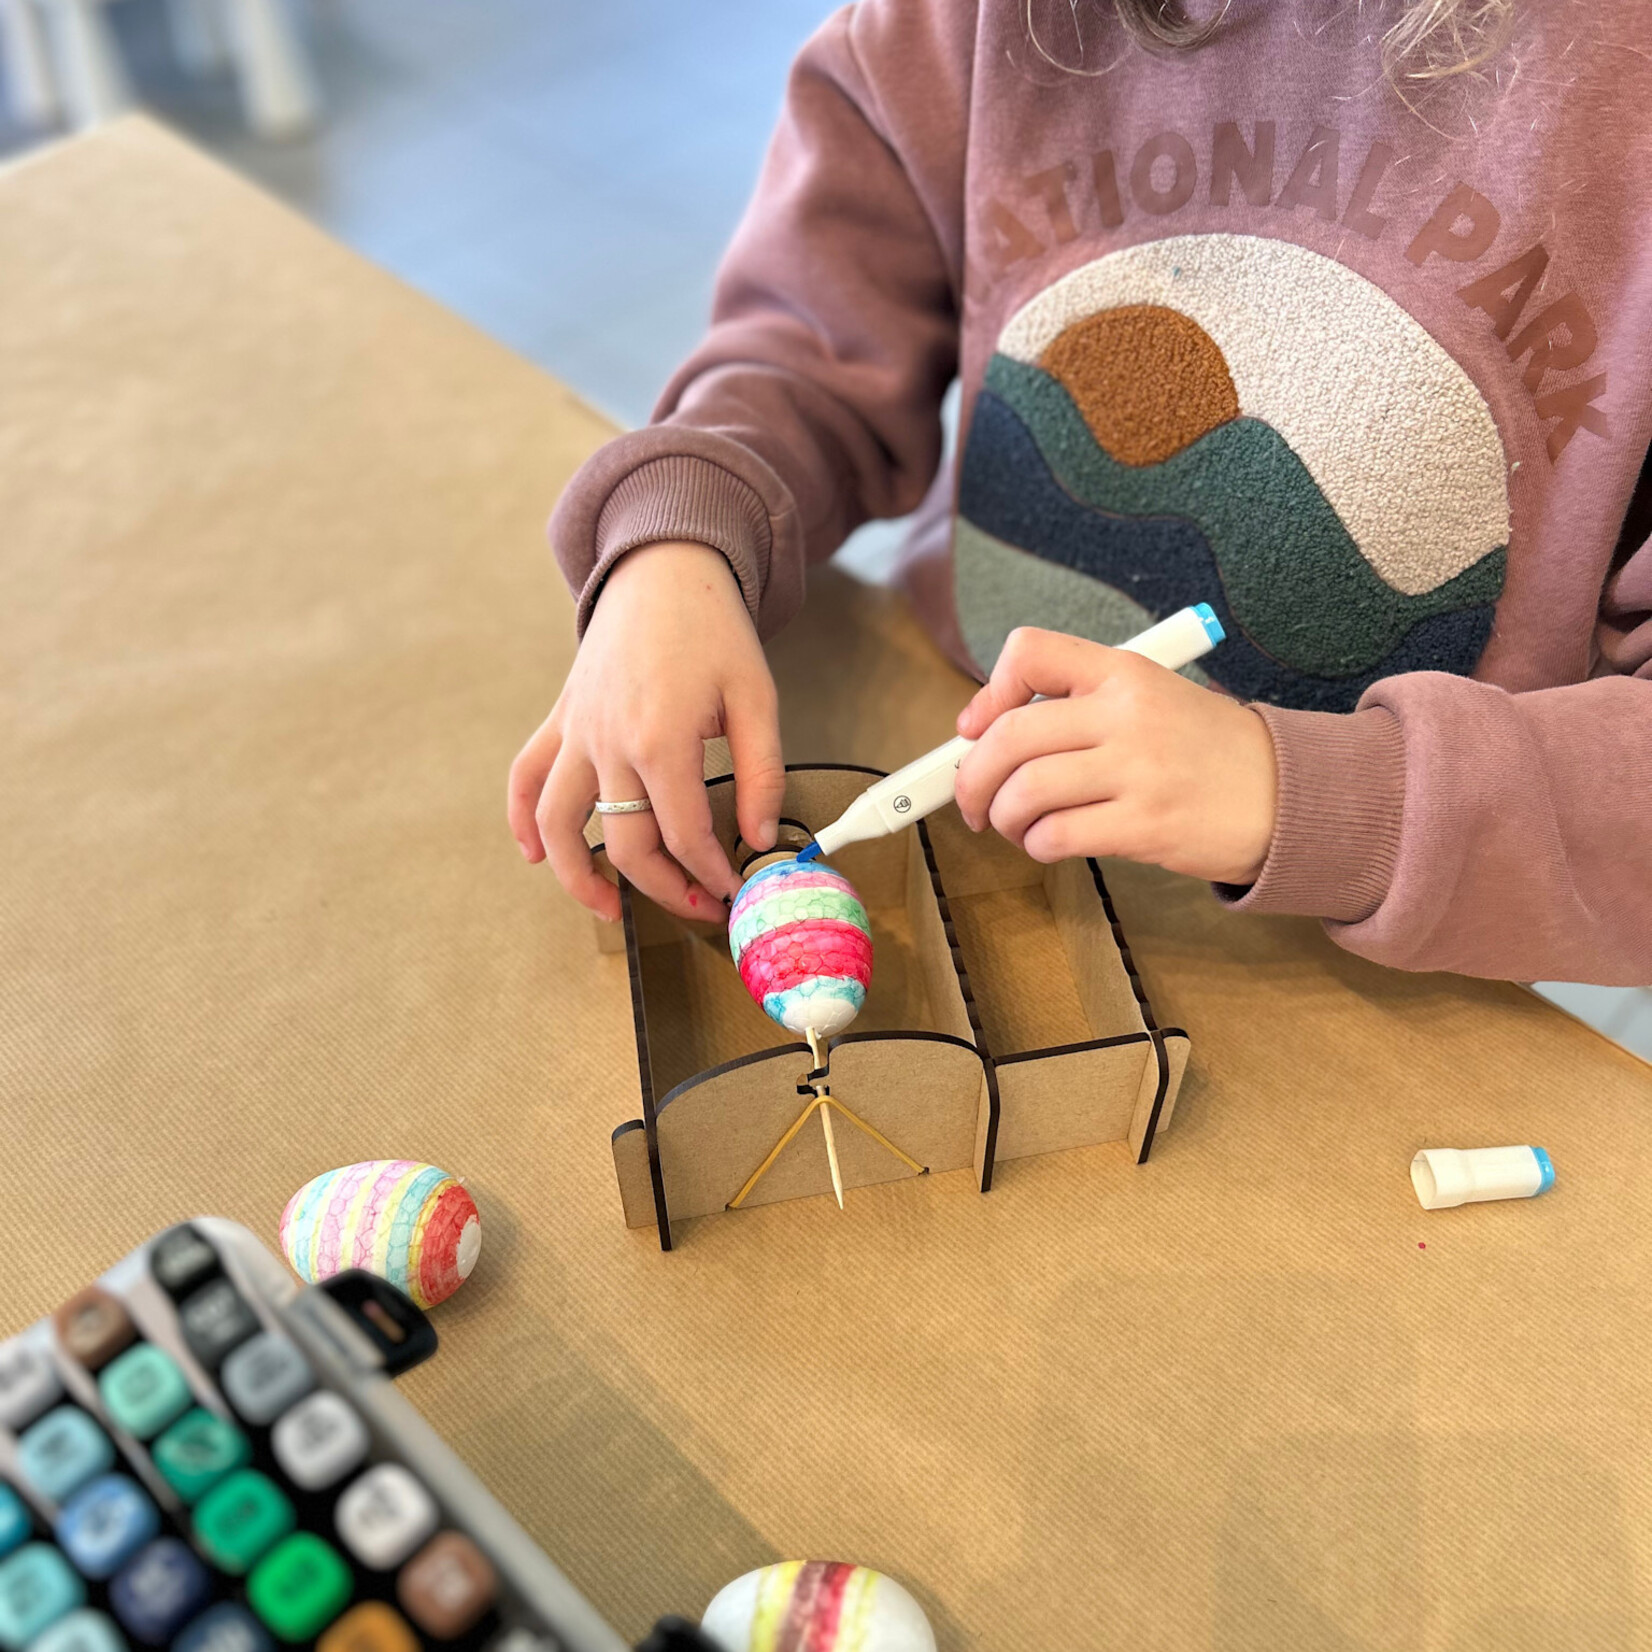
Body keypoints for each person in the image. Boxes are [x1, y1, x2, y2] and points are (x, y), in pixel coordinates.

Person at [508, 0, 1652, 985]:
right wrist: (676, 541)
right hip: (968, 774)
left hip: (1424, 941)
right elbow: (811, 343)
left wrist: (1303, 791)